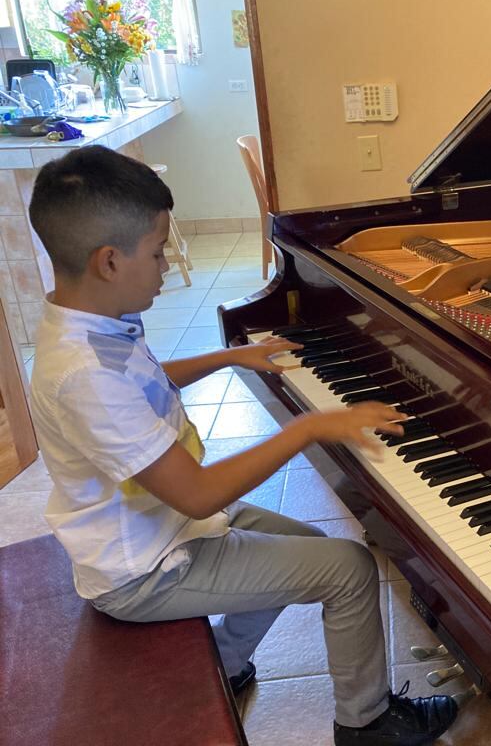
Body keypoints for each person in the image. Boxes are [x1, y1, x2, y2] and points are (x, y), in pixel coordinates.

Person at [27, 146, 458, 746]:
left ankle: (225, 665)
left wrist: (230, 356)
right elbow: (200, 495)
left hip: (159, 525)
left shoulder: (89, 326)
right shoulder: (85, 374)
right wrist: (309, 427)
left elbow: (146, 381)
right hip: (144, 568)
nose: (165, 264)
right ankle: (368, 724)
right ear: (109, 261)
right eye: (158, 252)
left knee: (310, 547)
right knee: (350, 569)